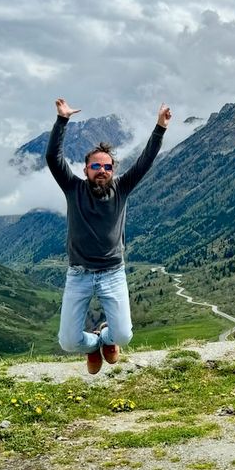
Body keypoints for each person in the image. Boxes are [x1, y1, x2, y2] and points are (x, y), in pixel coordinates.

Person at [46, 97, 171, 373]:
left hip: (113, 273)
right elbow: (52, 159)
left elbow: (145, 161)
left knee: (124, 336)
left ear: (113, 171)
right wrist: (62, 120)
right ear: (85, 170)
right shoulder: (72, 187)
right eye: (96, 166)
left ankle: (106, 337)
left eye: (107, 167)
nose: (102, 171)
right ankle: (93, 345)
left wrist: (160, 128)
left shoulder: (122, 188)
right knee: (68, 342)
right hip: (78, 274)